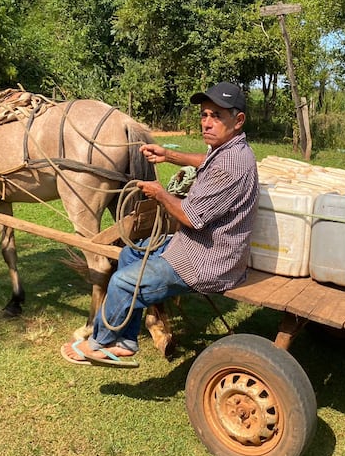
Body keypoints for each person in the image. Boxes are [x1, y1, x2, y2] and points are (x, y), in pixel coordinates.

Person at [61, 82, 259, 367]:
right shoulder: (229, 150)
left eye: (216, 115)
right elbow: (206, 161)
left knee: (123, 281)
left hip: (209, 262)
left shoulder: (231, 166)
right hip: (196, 247)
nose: (207, 122)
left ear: (238, 120)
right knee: (131, 254)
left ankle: (100, 343)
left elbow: (190, 217)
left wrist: (159, 193)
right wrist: (169, 155)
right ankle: (126, 340)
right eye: (204, 114)